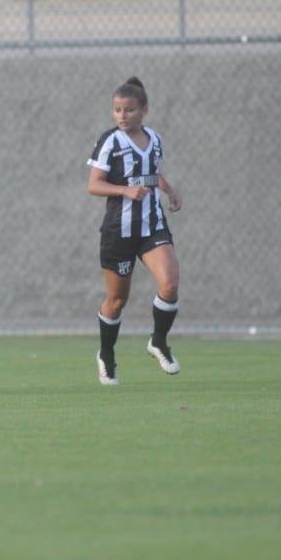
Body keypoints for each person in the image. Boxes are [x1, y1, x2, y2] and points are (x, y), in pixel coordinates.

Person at [86, 76, 183, 385]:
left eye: (128, 110)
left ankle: (158, 342)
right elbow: (94, 185)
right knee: (116, 301)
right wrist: (126, 191)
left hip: (151, 226)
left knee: (169, 284)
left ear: (144, 110)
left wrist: (168, 191)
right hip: (120, 232)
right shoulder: (110, 142)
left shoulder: (154, 139)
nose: (122, 116)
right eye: (117, 110)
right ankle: (106, 353)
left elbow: (152, 173)